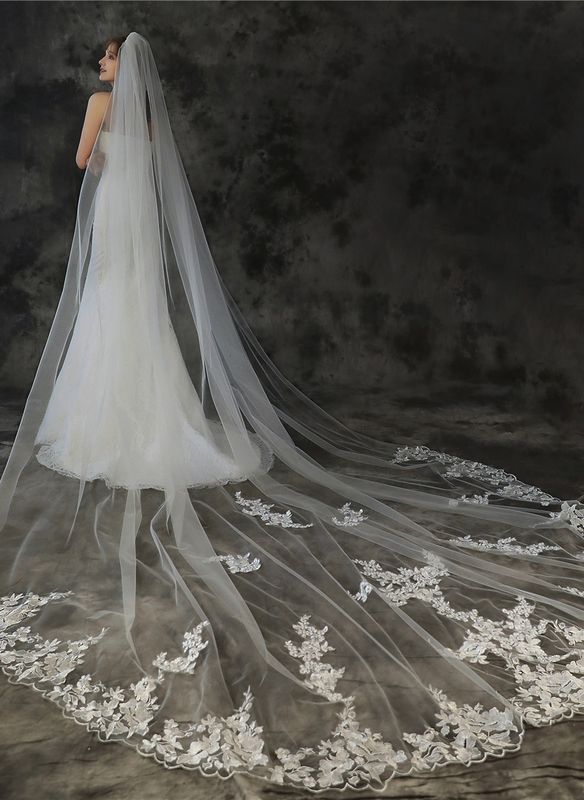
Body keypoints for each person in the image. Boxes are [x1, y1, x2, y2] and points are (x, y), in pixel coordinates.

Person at [1, 31, 583, 793]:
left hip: (115, 214)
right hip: (138, 221)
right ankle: (151, 413)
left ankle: (106, 421)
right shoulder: (145, 113)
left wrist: (101, 156)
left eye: (107, 57)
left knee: (110, 308)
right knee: (137, 311)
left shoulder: (104, 104)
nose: (101, 66)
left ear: (119, 66)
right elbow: (151, 170)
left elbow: (84, 163)